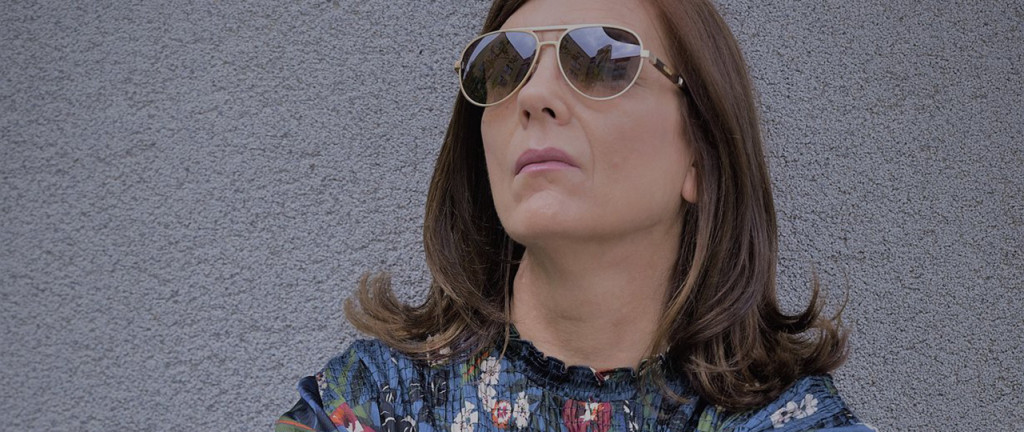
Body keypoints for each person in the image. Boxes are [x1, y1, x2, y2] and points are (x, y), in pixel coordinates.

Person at [275, 0, 875, 430]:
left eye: (601, 60)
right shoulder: (373, 402)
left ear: (701, 152)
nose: (533, 96)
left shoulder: (788, 421)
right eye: (503, 66)